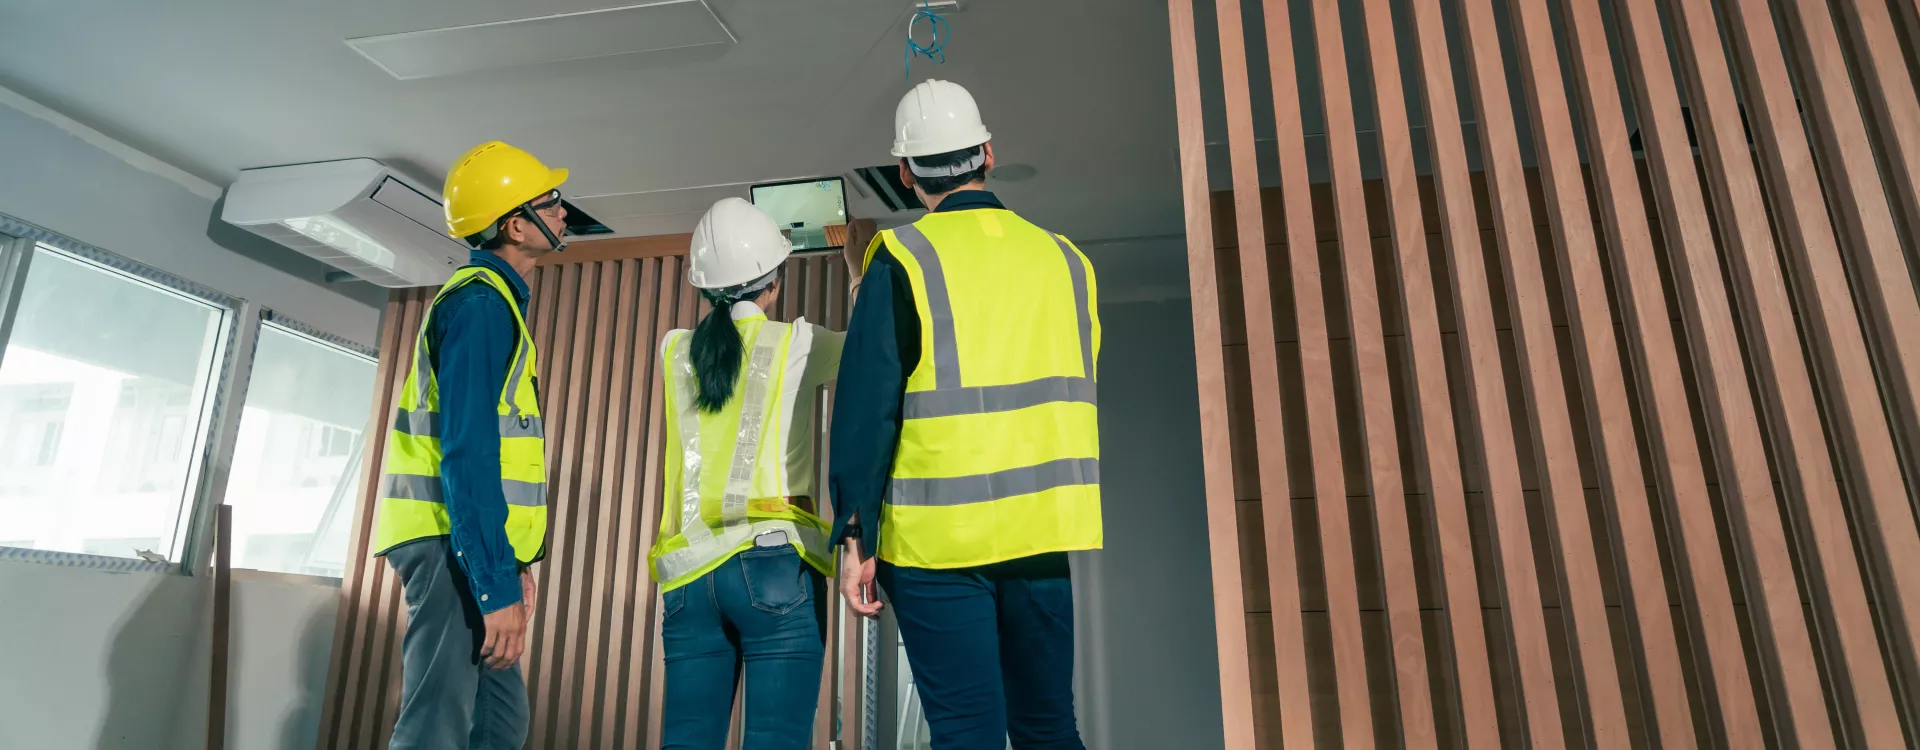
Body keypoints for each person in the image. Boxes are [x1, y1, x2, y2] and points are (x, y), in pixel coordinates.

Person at [829, 79, 1102, 750]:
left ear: (904, 172)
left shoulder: (899, 257)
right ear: (988, 152)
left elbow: (869, 409)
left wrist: (855, 536)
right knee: (1048, 725)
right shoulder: (1067, 260)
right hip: (1041, 536)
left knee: (966, 733)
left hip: (937, 546)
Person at [650, 197, 871, 749]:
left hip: (689, 578)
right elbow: (871, 350)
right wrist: (858, 270)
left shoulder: (674, 351)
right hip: (773, 568)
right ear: (774, 282)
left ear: (703, 288)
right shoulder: (794, 343)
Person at [373, 141, 574, 749]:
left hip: (471, 546)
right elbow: (469, 452)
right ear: (516, 224)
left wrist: (511, 565)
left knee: (499, 725)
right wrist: (493, 581)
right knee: (436, 722)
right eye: (551, 202)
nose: (564, 212)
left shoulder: (497, 303)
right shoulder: (482, 305)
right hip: (446, 542)